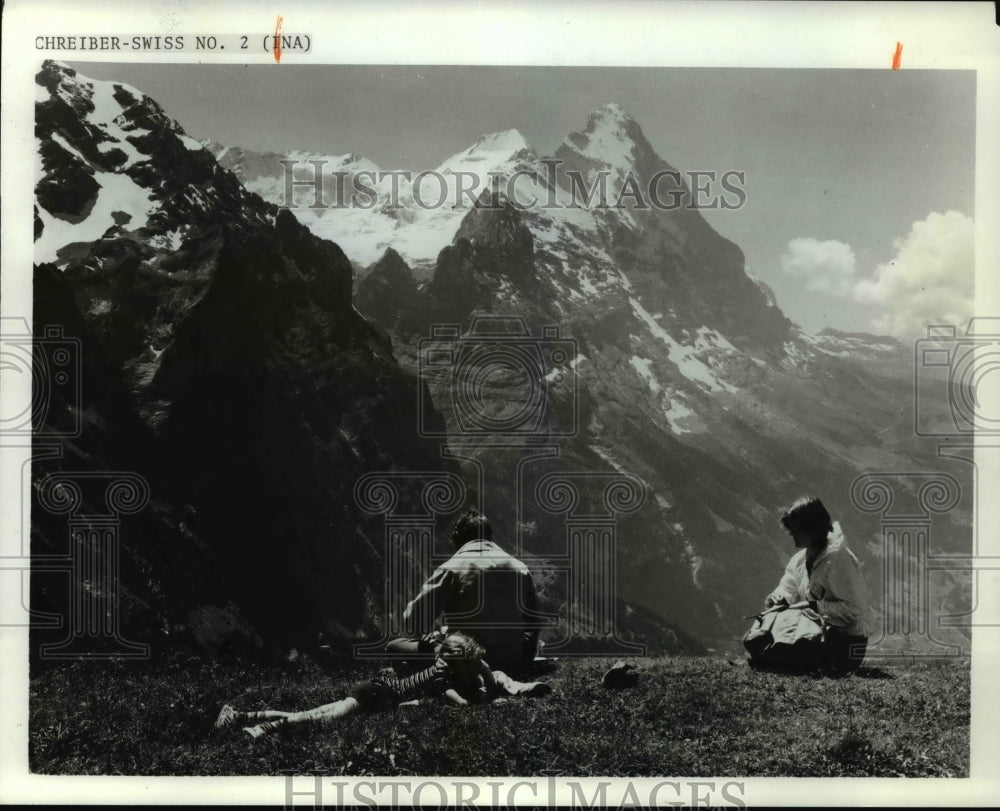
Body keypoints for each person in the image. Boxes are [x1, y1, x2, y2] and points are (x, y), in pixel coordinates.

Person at [214, 631, 551, 739]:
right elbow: (464, 704)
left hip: (376, 691)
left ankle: (243, 714)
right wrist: (489, 699)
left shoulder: (450, 668)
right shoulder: (441, 680)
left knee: (312, 712)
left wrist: (479, 669)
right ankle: (260, 730)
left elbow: (483, 675)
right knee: (321, 719)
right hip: (377, 694)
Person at [387, 508, 544, 673]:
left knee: (394, 646)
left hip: (468, 662)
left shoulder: (451, 568)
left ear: (456, 537)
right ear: (489, 536)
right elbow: (535, 621)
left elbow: (414, 620)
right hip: (513, 661)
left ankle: (423, 683)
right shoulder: (520, 568)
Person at [763, 496, 872, 674]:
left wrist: (815, 607)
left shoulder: (839, 560)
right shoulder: (798, 560)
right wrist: (780, 598)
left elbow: (856, 610)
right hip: (816, 632)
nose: (792, 534)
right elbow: (786, 588)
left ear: (812, 528)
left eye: (796, 529)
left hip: (846, 641)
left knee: (786, 656)